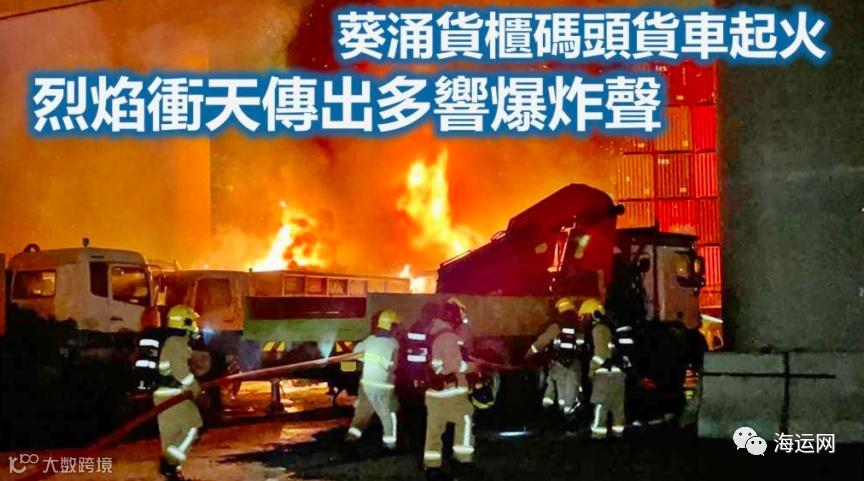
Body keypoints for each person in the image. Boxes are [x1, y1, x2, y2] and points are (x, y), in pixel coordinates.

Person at [422, 301, 479, 479]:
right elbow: (454, 365)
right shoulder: (447, 336)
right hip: (451, 392)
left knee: (434, 430)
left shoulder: (431, 332)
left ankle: (432, 468)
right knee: (465, 421)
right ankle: (463, 463)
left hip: (433, 391)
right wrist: (472, 367)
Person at [152, 305, 205, 481]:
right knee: (193, 427)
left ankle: (173, 473)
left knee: (172, 437)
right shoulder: (177, 342)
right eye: (193, 321)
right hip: (174, 395)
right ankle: (170, 465)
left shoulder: (169, 341)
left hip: (164, 394)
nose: (196, 325)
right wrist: (197, 390)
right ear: (186, 322)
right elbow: (180, 371)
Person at [345, 309, 401, 451]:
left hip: (366, 386)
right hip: (382, 386)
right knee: (387, 414)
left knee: (362, 413)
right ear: (391, 326)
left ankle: (351, 439)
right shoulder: (393, 343)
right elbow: (394, 366)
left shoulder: (369, 340)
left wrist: (369, 357)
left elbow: (356, 354)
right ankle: (390, 444)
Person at [524, 298, 587, 416]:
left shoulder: (556, 327)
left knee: (556, 388)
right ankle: (569, 414)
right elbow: (583, 348)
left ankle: (554, 413)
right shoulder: (580, 328)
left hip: (557, 364)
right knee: (572, 389)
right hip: (575, 365)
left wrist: (528, 354)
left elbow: (540, 343)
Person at [582, 298, 626, 439]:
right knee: (617, 407)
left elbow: (601, 355)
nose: (584, 320)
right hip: (618, 373)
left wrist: (591, 370)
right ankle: (618, 433)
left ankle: (598, 434)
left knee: (601, 405)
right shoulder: (610, 328)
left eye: (586, 316)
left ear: (594, 315)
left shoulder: (598, 329)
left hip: (604, 375)